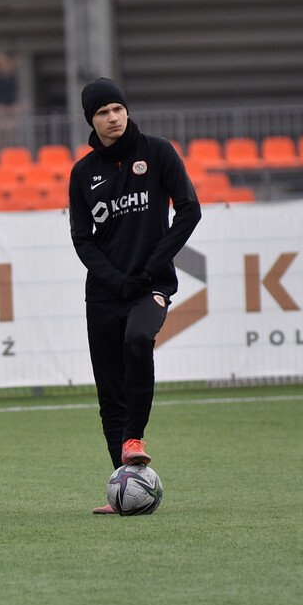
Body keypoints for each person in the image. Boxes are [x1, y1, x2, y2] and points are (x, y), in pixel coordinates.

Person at [68, 77, 201, 514]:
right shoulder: (83, 173)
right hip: (105, 293)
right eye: (103, 112)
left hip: (151, 285)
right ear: (92, 119)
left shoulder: (158, 152)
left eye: (118, 109)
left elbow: (189, 210)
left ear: (126, 111)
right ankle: (122, 489)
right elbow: (82, 240)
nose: (113, 117)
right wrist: (114, 278)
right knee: (109, 392)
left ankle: (134, 438)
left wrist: (148, 269)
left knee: (138, 339)